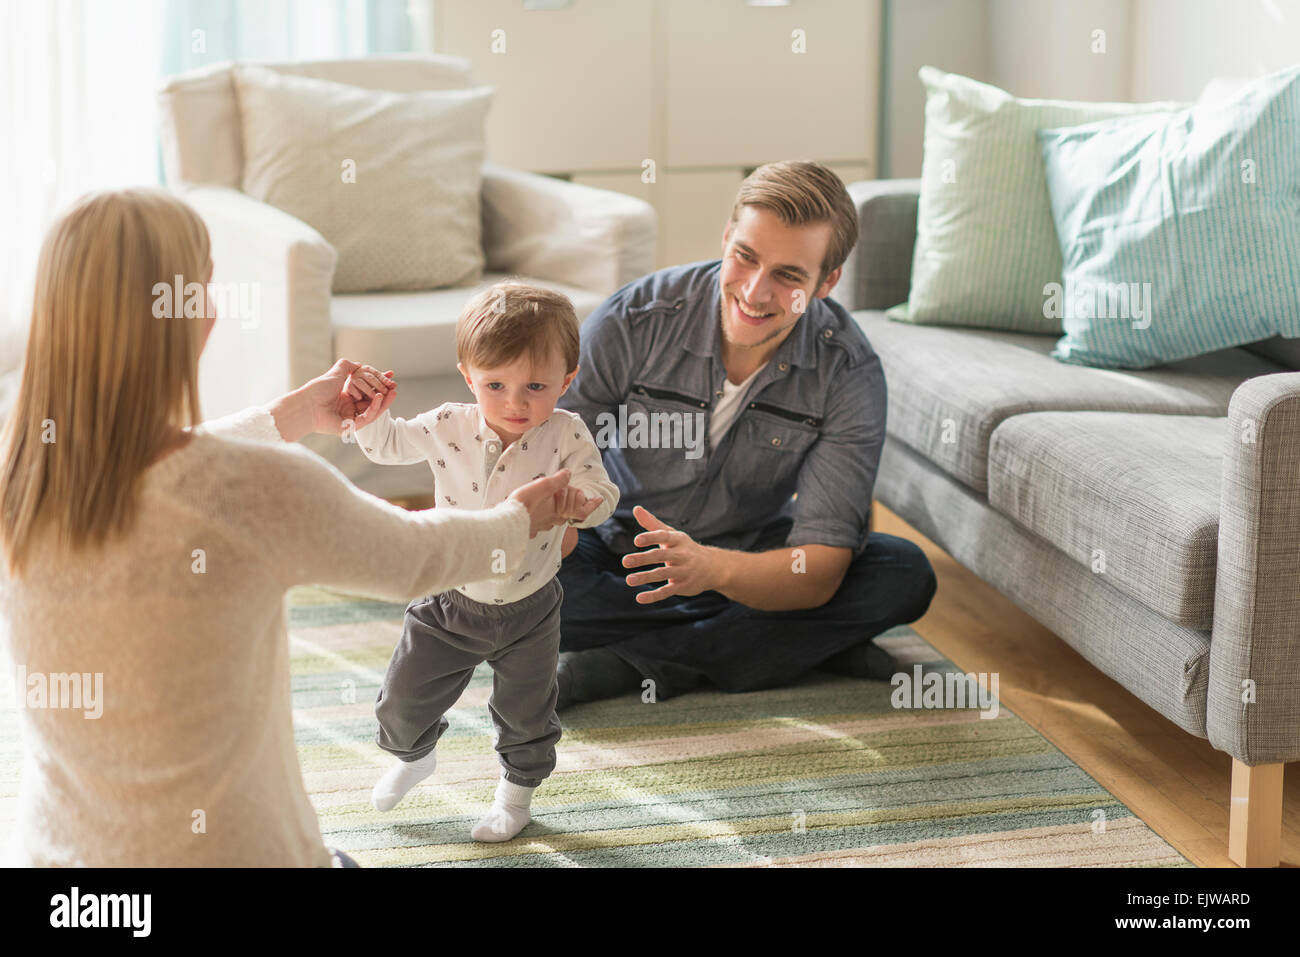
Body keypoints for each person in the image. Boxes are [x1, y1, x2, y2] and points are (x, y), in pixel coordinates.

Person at [0, 189, 574, 867]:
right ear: (186, 318)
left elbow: (163, 464)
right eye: (206, 286)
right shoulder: (254, 489)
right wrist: (520, 518)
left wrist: (291, 414)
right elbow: (415, 558)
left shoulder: (23, 473)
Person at [553, 160, 938, 707]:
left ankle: (631, 664)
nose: (755, 293)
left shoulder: (848, 372)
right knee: (521, 587)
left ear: (827, 282)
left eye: (789, 276)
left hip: (749, 560)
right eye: (746, 257)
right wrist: (554, 524)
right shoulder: (634, 319)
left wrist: (710, 568)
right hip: (616, 551)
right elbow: (548, 461)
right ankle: (797, 645)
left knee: (902, 575)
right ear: (728, 236)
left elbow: (821, 566)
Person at [351, 282, 618, 841]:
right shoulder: (448, 423)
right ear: (468, 376)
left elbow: (602, 492)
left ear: (567, 381)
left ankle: (515, 797)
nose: (516, 403)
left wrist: (583, 504)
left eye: (536, 386)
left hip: (531, 608)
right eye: (495, 384)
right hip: (450, 598)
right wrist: (373, 414)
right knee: (401, 702)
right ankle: (413, 756)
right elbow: (388, 445)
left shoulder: (566, 433)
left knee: (527, 715)